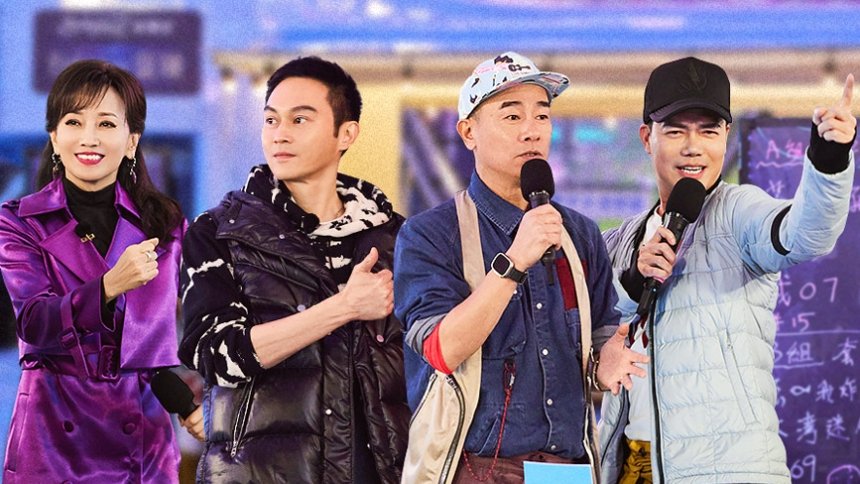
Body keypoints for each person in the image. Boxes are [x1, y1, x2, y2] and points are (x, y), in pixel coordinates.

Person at [598, 57, 856, 483]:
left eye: (709, 131)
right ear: (647, 138)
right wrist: (633, 281)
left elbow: (804, 234)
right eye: (676, 131)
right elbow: (591, 341)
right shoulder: (620, 241)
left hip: (730, 469)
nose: (693, 147)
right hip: (632, 465)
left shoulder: (739, 211)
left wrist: (829, 159)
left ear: (726, 137)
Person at [394, 52, 648, 484]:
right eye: (512, 116)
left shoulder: (580, 234)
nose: (532, 130)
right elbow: (441, 350)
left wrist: (605, 365)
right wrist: (513, 263)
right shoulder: (429, 235)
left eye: (542, 116)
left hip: (567, 471)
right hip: (477, 469)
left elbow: (600, 336)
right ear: (468, 132)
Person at [178, 56, 409, 483]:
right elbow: (215, 354)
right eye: (271, 120)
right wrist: (343, 307)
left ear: (346, 133)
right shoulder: (219, 233)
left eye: (300, 120)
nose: (280, 134)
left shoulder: (397, 238)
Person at [0, 60, 186, 483]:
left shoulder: (165, 225)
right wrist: (108, 285)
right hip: (53, 439)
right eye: (73, 121)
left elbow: (153, 346)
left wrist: (186, 404)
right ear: (54, 136)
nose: (89, 137)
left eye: (106, 123)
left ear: (131, 140)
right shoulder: (19, 221)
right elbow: (34, 323)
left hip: (144, 443)